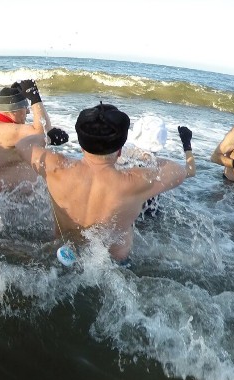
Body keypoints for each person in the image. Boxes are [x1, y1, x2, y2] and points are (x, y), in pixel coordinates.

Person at [16, 102, 192, 263]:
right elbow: (179, 170)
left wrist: (47, 138)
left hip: (60, 253)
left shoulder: (55, 167)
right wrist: (143, 155)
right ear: (120, 150)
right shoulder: (137, 181)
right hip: (111, 265)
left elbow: (22, 144)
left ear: (81, 145)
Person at [0, 80, 69, 196]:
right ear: (13, 111)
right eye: (25, 107)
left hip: (7, 197)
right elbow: (43, 130)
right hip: (8, 202)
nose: (28, 111)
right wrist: (34, 97)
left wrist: (47, 139)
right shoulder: (5, 130)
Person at [118, 115, 196, 217]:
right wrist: (187, 144)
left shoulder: (120, 157)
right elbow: (190, 171)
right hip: (149, 215)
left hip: (123, 215)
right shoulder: (162, 166)